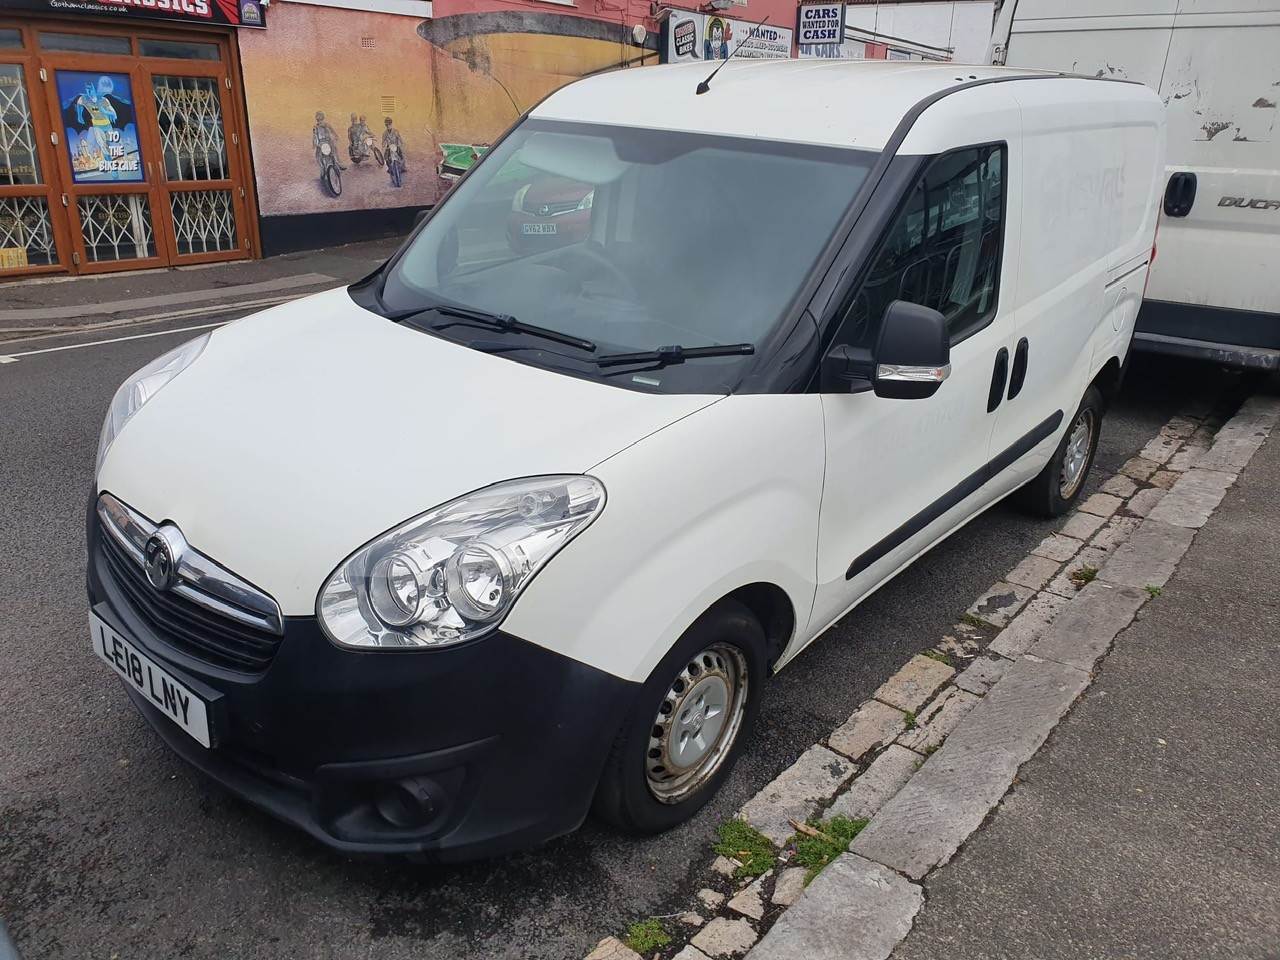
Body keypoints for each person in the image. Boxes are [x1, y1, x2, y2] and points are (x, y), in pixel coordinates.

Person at [313, 110, 346, 175]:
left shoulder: (327, 125)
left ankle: (338, 163)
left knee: (334, 150)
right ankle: (322, 170)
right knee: (318, 156)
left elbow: (332, 131)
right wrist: (315, 144)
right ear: (316, 118)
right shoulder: (315, 127)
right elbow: (315, 136)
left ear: (323, 117)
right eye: (318, 116)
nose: (319, 118)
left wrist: (336, 136)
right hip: (321, 143)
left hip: (328, 141)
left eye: (320, 116)